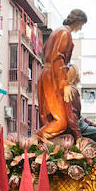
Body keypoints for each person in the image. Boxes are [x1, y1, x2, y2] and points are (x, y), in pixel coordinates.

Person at [36, 9, 87, 140]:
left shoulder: (57, 32)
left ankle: (40, 140)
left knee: (49, 118)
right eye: (81, 24)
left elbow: (46, 53)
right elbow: (58, 58)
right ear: (78, 21)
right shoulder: (65, 33)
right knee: (60, 121)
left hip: (48, 74)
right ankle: (35, 139)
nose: (80, 28)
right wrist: (64, 84)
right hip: (53, 76)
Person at [66, 64, 96, 143]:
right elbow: (72, 116)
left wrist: (94, 125)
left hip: (79, 125)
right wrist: (78, 136)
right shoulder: (72, 91)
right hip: (78, 127)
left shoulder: (69, 90)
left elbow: (77, 115)